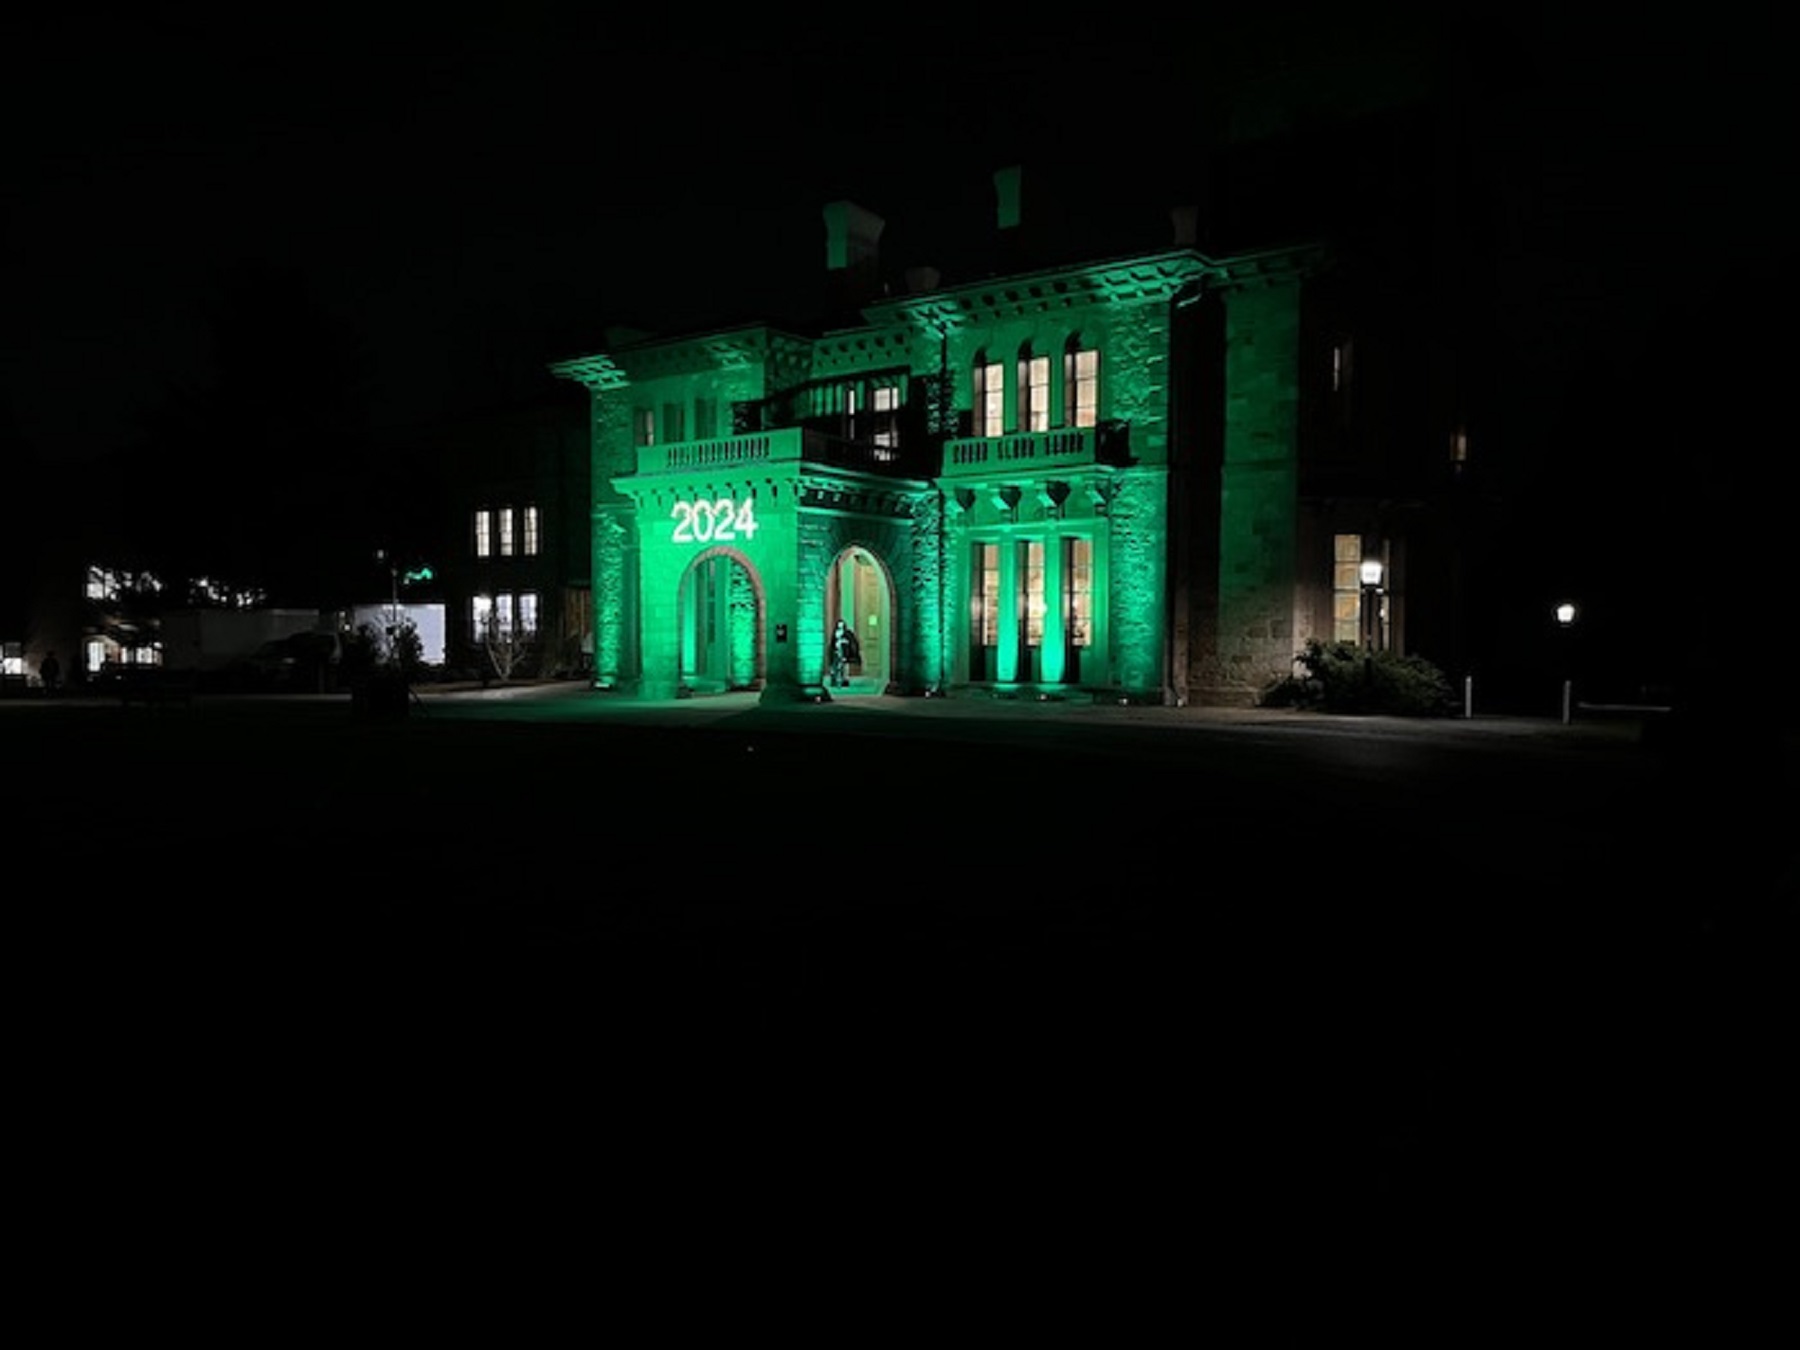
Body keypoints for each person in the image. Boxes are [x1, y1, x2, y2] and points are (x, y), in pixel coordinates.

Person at [829, 619, 860, 688]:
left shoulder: (847, 633)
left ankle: (845, 680)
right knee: (836, 666)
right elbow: (832, 643)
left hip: (844, 652)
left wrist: (845, 642)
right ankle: (836, 680)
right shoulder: (835, 633)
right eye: (839, 624)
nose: (840, 625)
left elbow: (851, 641)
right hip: (836, 651)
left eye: (841, 624)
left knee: (845, 667)